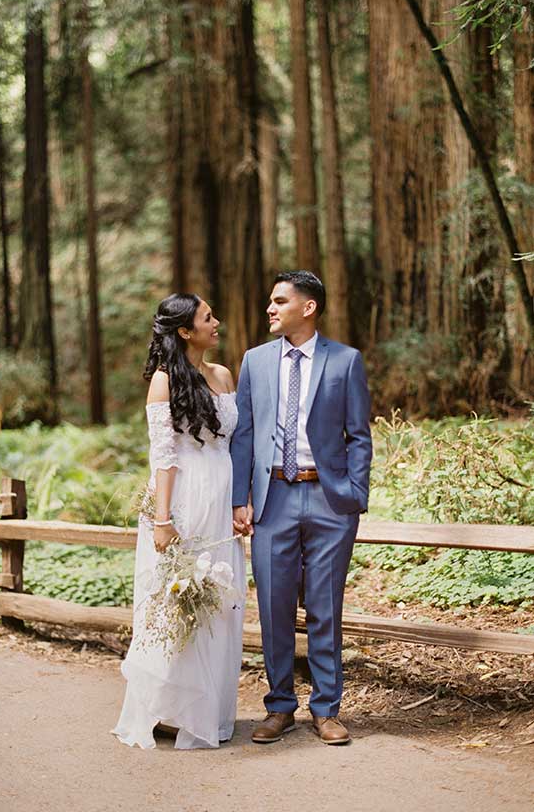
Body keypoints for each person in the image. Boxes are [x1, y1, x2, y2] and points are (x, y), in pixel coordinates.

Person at [231, 271, 372, 745]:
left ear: (307, 307)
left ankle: (327, 710)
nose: (269, 309)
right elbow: (244, 434)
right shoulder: (254, 361)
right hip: (274, 498)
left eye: (278, 301)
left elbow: (359, 436)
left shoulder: (346, 361)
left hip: (331, 501)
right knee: (273, 606)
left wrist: (354, 496)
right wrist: (239, 498)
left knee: (325, 608)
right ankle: (279, 707)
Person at [112, 293, 245, 749]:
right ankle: (169, 706)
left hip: (222, 496)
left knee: (220, 598)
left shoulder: (224, 375)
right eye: (209, 317)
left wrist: (239, 501)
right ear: (185, 331)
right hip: (183, 499)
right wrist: (163, 521)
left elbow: (235, 444)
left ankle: (208, 711)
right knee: (176, 601)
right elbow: (163, 457)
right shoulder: (164, 382)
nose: (217, 322)